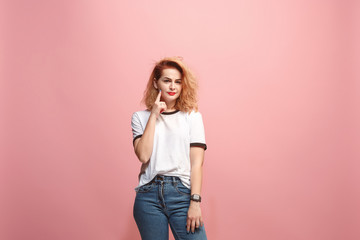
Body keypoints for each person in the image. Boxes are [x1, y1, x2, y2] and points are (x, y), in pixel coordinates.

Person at [131, 56, 208, 240]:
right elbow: (143, 155)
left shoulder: (192, 116)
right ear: (156, 83)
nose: (173, 87)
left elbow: (197, 163)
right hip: (148, 196)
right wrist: (154, 115)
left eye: (177, 82)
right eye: (167, 81)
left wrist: (195, 202)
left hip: (181, 193)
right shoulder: (140, 117)